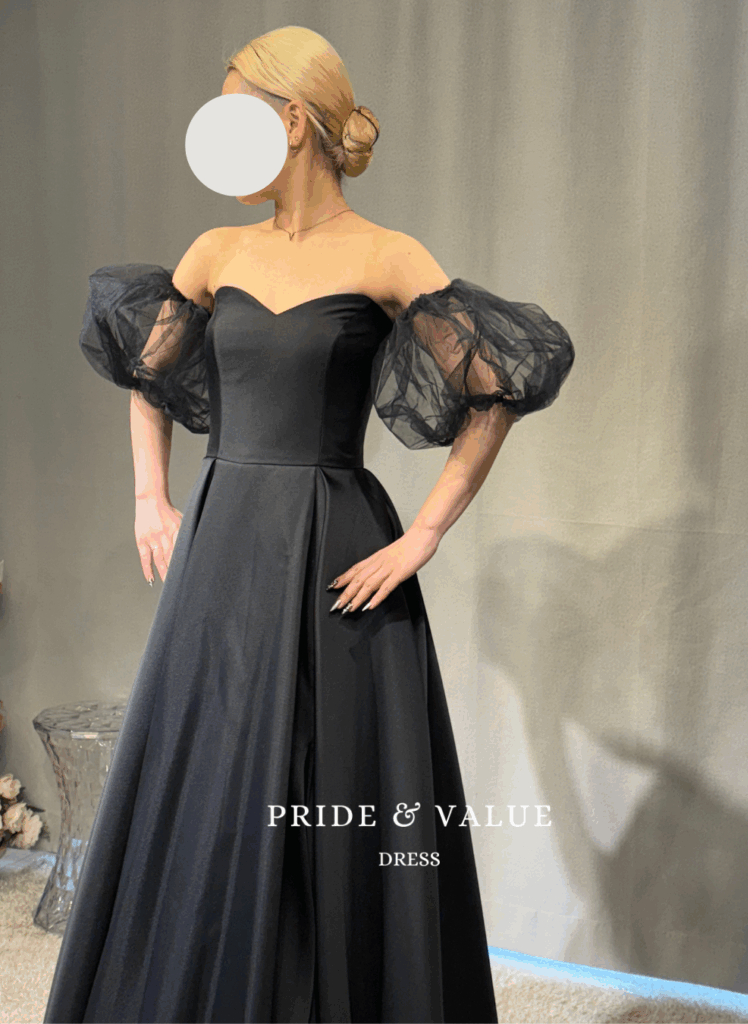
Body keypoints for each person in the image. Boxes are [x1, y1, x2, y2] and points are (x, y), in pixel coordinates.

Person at [43, 24, 574, 1024]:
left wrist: (422, 537)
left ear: (292, 121)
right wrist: (150, 497)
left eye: (232, 108)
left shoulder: (386, 254)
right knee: (213, 771)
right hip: (224, 543)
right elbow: (148, 378)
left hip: (334, 539)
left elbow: (496, 386)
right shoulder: (216, 251)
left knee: (329, 781)